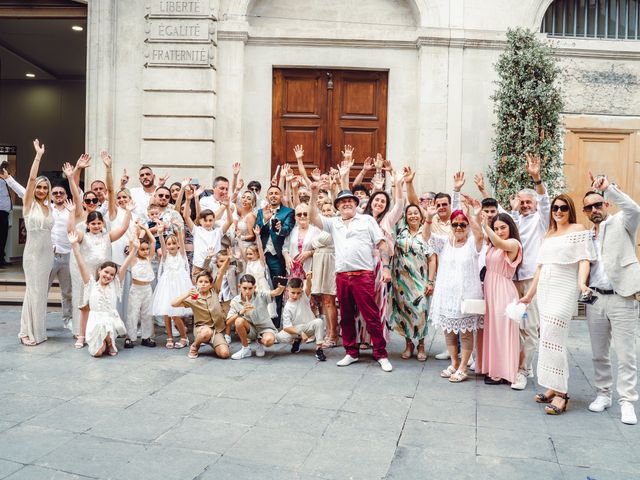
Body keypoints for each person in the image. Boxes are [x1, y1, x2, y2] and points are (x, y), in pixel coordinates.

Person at [519, 194, 594, 415]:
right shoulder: (549, 234)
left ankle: (562, 394)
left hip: (564, 288)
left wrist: (582, 284)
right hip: (545, 290)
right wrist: (529, 296)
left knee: (554, 338)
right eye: (555, 208)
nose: (558, 211)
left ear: (570, 210)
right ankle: (552, 385)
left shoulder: (578, 229)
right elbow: (540, 268)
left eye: (563, 208)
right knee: (546, 338)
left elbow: (584, 260)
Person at [309, 186, 393, 372]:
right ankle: (351, 352)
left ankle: (381, 354)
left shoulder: (367, 220)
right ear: (338, 206)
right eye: (342, 201)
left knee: (371, 316)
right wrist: (315, 192)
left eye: (350, 201)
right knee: (346, 317)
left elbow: (381, 244)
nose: (346, 203)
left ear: (356, 204)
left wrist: (386, 267)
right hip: (342, 276)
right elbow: (312, 217)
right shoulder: (334, 223)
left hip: (363, 275)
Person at [582, 174, 640, 425]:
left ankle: (627, 401)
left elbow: (634, 208)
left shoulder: (622, 222)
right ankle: (603, 393)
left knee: (627, 354)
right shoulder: (586, 236)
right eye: (589, 207)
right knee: (599, 353)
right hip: (596, 298)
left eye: (598, 204)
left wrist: (608, 189)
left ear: (606, 205)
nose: (594, 210)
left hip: (623, 297)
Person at [425, 201, 484, 383]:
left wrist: (473, 216)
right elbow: (426, 237)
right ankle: (454, 362)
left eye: (462, 224)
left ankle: (464, 367)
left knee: (465, 333)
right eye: (455, 224)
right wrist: (428, 218)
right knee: (448, 331)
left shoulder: (473, 242)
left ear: (467, 226)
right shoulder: (445, 242)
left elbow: (481, 234)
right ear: (450, 225)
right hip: (446, 294)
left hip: (466, 294)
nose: (459, 227)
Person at [66, 203, 133, 348]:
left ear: (103, 224)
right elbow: (71, 231)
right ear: (87, 224)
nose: (96, 226)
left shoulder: (108, 236)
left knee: (105, 304)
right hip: (88, 275)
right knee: (86, 305)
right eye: (93, 223)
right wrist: (71, 213)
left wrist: (128, 211)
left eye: (98, 223)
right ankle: (82, 335)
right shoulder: (84, 236)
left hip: (105, 276)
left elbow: (123, 228)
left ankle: (106, 333)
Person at [511, 153, 551, 380]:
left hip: (531, 280)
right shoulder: (515, 218)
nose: (525, 205)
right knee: (515, 325)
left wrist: (537, 179)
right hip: (512, 279)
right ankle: (518, 363)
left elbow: (545, 203)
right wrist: (514, 209)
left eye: (529, 202)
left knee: (530, 326)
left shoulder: (540, 221)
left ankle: (523, 370)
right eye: (522, 202)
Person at [476, 213, 523, 387]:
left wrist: (486, 225)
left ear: (510, 227)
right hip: (489, 289)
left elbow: (499, 242)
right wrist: (475, 216)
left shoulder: (513, 244)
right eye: (496, 228)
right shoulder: (492, 245)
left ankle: (502, 371)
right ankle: (490, 367)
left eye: (503, 227)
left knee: (500, 330)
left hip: (503, 290)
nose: (500, 231)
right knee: (490, 329)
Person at [18, 139, 54, 346]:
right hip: (32, 254)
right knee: (32, 291)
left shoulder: (50, 208)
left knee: (41, 293)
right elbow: (31, 179)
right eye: (39, 187)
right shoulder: (29, 205)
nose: (41, 190)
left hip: (47, 254)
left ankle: (38, 331)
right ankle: (25, 332)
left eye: (44, 187)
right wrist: (38, 155)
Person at [390, 203, 437, 362]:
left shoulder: (426, 232)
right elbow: (398, 204)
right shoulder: (400, 231)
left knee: (421, 310)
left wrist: (430, 281)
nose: (413, 216)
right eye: (409, 213)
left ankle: (422, 344)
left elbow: (432, 258)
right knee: (404, 312)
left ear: (421, 215)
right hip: (401, 281)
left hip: (420, 279)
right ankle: (409, 344)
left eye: (415, 213)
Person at [255, 185, 295, 326]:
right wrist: (265, 220)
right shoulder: (261, 211)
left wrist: (279, 228)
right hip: (261, 256)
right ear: (267, 196)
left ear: (281, 196)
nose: (273, 196)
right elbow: (257, 229)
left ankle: (275, 324)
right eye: (270, 193)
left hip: (277, 257)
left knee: (277, 288)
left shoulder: (288, 212)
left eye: (276, 193)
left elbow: (287, 229)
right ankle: (261, 322)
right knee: (262, 288)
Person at [172, 267, 232, 360]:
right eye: (200, 282)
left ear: (211, 285)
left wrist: (228, 258)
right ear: (196, 283)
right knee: (206, 332)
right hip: (201, 329)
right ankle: (195, 346)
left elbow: (220, 273)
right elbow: (174, 304)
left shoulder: (214, 291)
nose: (203, 284)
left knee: (224, 354)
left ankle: (214, 343)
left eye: (206, 282)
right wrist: (187, 294)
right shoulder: (194, 297)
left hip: (216, 330)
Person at [227, 274, 286, 360]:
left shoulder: (261, 294)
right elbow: (228, 322)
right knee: (238, 321)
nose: (247, 291)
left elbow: (275, 293)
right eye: (244, 288)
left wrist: (281, 287)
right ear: (239, 286)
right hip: (250, 329)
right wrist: (241, 312)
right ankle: (245, 349)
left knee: (269, 341)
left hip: (265, 328)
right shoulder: (235, 301)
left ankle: (259, 341)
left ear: (255, 287)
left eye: (250, 288)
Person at [152, 227, 193, 349]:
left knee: (176, 313)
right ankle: (169, 337)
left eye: (174, 243)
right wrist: (160, 233)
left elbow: (180, 239)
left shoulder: (182, 254)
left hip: (180, 286)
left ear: (178, 245)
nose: (171, 246)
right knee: (166, 312)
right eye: (169, 244)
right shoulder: (165, 256)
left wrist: (180, 230)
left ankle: (184, 337)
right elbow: (163, 246)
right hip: (167, 286)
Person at [183, 188, 232, 282]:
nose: (208, 223)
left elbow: (230, 221)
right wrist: (188, 199)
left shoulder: (218, 232)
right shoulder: (197, 230)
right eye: (205, 220)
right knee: (198, 293)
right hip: (199, 266)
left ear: (214, 220)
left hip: (214, 267)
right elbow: (186, 216)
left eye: (210, 220)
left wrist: (227, 207)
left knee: (214, 292)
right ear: (200, 220)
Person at [276, 276, 327, 361]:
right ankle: (297, 340)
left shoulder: (303, 296)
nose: (296, 295)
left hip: (308, 327)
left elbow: (308, 288)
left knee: (319, 321)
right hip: (297, 330)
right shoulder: (287, 307)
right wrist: (300, 333)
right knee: (279, 337)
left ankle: (319, 350)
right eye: (293, 292)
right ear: (287, 289)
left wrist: (308, 279)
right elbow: (287, 327)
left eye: (298, 293)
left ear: (301, 291)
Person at [311, 201, 338, 348]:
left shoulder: (333, 224)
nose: (327, 213)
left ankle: (333, 334)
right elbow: (313, 242)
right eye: (324, 210)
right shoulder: (320, 226)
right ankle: (329, 332)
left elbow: (316, 242)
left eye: (330, 210)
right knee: (324, 300)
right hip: (320, 261)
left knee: (329, 300)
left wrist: (315, 242)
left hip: (329, 261)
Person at [124, 231, 156, 349]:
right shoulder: (133, 259)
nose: (146, 251)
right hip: (136, 290)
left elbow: (153, 241)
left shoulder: (148, 259)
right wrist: (136, 231)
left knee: (147, 314)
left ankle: (146, 337)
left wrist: (145, 229)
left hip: (147, 289)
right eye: (142, 249)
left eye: (147, 249)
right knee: (133, 313)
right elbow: (132, 243)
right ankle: (130, 337)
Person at [47, 184, 74, 330]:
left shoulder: (71, 210)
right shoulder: (47, 208)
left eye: (61, 193)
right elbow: (24, 193)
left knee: (67, 291)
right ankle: (39, 319)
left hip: (67, 255)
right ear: (51, 196)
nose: (58, 195)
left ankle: (67, 319)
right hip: (49, 255)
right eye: (55, 193)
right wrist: (9, 179)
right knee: (43, 289)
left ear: (66, 195)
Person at [283, 203, 319, 280]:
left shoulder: (316, 231)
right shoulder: (292, 230)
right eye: (299, 214)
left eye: (305, 214)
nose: (302, 216)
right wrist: (287, 257)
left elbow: (321, 249)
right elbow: (285, 248)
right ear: (295, 217)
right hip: (293, 269)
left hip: (308, 268)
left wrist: (309, 253)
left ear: (309, 216)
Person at [0, 165, 26, 268]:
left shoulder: (4, 181)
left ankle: (1, 258)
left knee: (3, 236)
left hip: (4, 213)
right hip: (0, 212)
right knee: (1, 236)